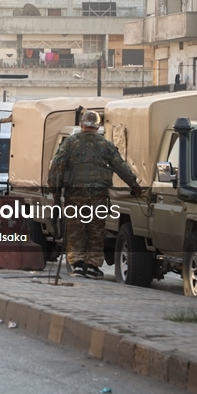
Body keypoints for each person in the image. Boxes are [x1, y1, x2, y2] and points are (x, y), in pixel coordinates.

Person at [48, 109, 142, 279]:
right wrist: (134, 185)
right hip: (98, 195)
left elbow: (56, 166)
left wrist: (54, 190)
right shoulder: (105, 145)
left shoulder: (69, 143)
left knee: (76, 228)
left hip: (75, 195)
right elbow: (120, 166)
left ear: (82, 124)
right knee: (96, 229)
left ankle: (77, 265)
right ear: (98, 126)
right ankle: (92, 266)